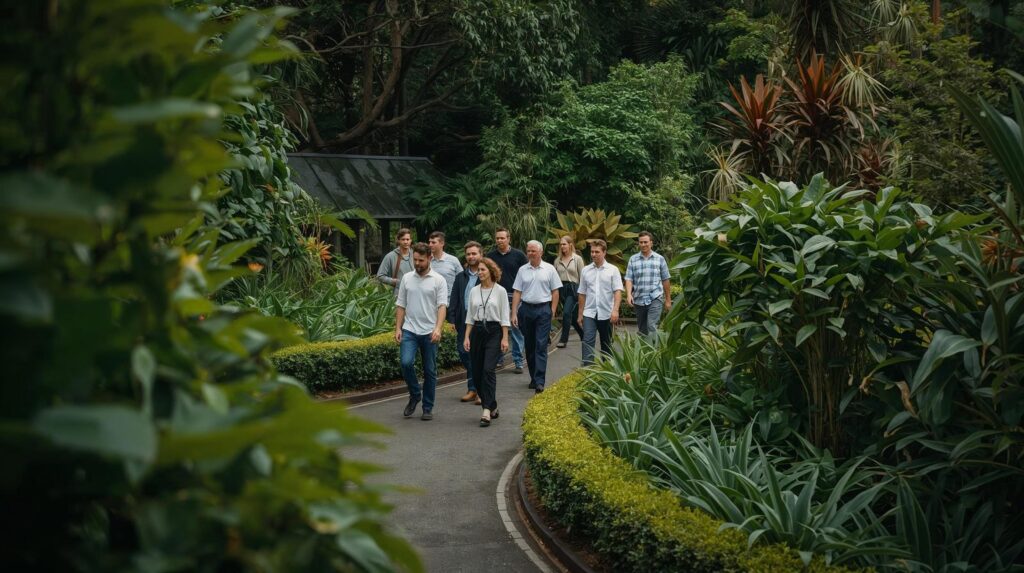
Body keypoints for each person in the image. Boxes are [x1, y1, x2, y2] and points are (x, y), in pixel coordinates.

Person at [395, 242, 448, 421]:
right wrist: (398, 328)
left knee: (429, 370)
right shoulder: (407, 278)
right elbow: (401, 304)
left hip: (429, 331)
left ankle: (427, 407)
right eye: (415, 260)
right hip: (409, 329)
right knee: (406, 363)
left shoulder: (438, 280)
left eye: (421, 260)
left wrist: (438, 328)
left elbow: (442, 306)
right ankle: (415, 394)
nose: (417, 263)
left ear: (430, 258)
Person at [463, 257, 510, 427]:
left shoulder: (501, 291)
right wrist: (467, 336)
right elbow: (469, 316)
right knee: (476, 373)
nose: (480, 273)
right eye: (478, 270)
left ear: (491, 271)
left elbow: (505, 316)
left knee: (488, 370)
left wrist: (505, 337)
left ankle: (486, 410)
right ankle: (493, 405)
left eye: (483, 270)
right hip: (477, 331)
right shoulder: (474, 291)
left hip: (494, 332)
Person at [511, 240, 562, 393]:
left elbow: (555, 291)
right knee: (530, 346)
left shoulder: (549, 269)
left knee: (540, 346)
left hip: (543, 311)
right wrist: (513, 312)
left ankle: (540, 381)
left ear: (540, 252)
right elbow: (517, 292)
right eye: (529, 251)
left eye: (533, 251)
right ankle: (533, 378)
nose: (530, 253)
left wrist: (552, 310)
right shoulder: (522, 270)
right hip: (525, 310)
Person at [486, 227, 527, 374]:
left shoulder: (519, 255)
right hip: (495, 297)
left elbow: (526, 275)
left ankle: (518, 361)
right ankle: (498, 359)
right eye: (497, 238)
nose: (499, 241)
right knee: (497, 329)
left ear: (509, 239)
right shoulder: (490, 256)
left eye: (502, 238)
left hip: (513, 296)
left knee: (515, 330)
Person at [577, 239, 623, 365]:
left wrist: (615, 310)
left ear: (604, 252)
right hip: (589, 313)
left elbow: (617, 291)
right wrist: (580, 314)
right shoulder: (585, 270)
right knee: (587, 340)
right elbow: (582, 293)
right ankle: (587, 370)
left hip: (607, 312)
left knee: (606, 343)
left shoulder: (613, 270)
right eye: (592, 252)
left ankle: (607, 370)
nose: (593, 254)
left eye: (597, 252)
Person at [448, 241, 482, 404]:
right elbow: (454, 298)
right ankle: (473, 388)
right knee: (464, 352)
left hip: (481, 321)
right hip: (463, 321)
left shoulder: (486, 274)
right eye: (468, 254)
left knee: (480, 355)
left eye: (474, 253)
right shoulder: (460, 276)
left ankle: (479, 390)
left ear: (480, 255)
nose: (471, 256)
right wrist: (452, 319)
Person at [624, 231, 672, 336]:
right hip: (639, 299)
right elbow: (629, 279)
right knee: (642, 330)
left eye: (645, 242)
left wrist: (668, 300)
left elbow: (665, 279)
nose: (643, 245)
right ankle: (643, 351)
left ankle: (653, 351)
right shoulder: (633, 259)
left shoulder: (659, 259)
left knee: (651, 326)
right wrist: (628, 295)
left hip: (655, 298)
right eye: (641, 242)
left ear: (651, 243)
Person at [553, 235, 585, 348]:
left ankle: (563, 340)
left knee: (566, 313)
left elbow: (582, 277)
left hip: (573, 289)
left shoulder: (577, 259)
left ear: (570, 245)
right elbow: (554, 278)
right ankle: (584, 335)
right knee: (573, 316)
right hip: (562, 289)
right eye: (561, 244)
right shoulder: (557, 260)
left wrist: (582, 293)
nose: (562, 246)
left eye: (564, 244)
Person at [376, 228, 414, 293]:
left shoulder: (415, 255)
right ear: (398, 240)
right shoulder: (390, 256)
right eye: (403, 239)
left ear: (411, 240)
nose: (405, 242)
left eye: (407, 239)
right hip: (398, 294)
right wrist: (395, 282)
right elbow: (380, 276)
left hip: (415, 293)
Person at [428, 231, 462, 298]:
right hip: (430, 302)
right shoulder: (427, 260)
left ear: (442, 243)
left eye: (433, 242)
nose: (430, 245)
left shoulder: (453, 260)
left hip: (450, 301)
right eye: (429, 242)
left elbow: (461, 280)